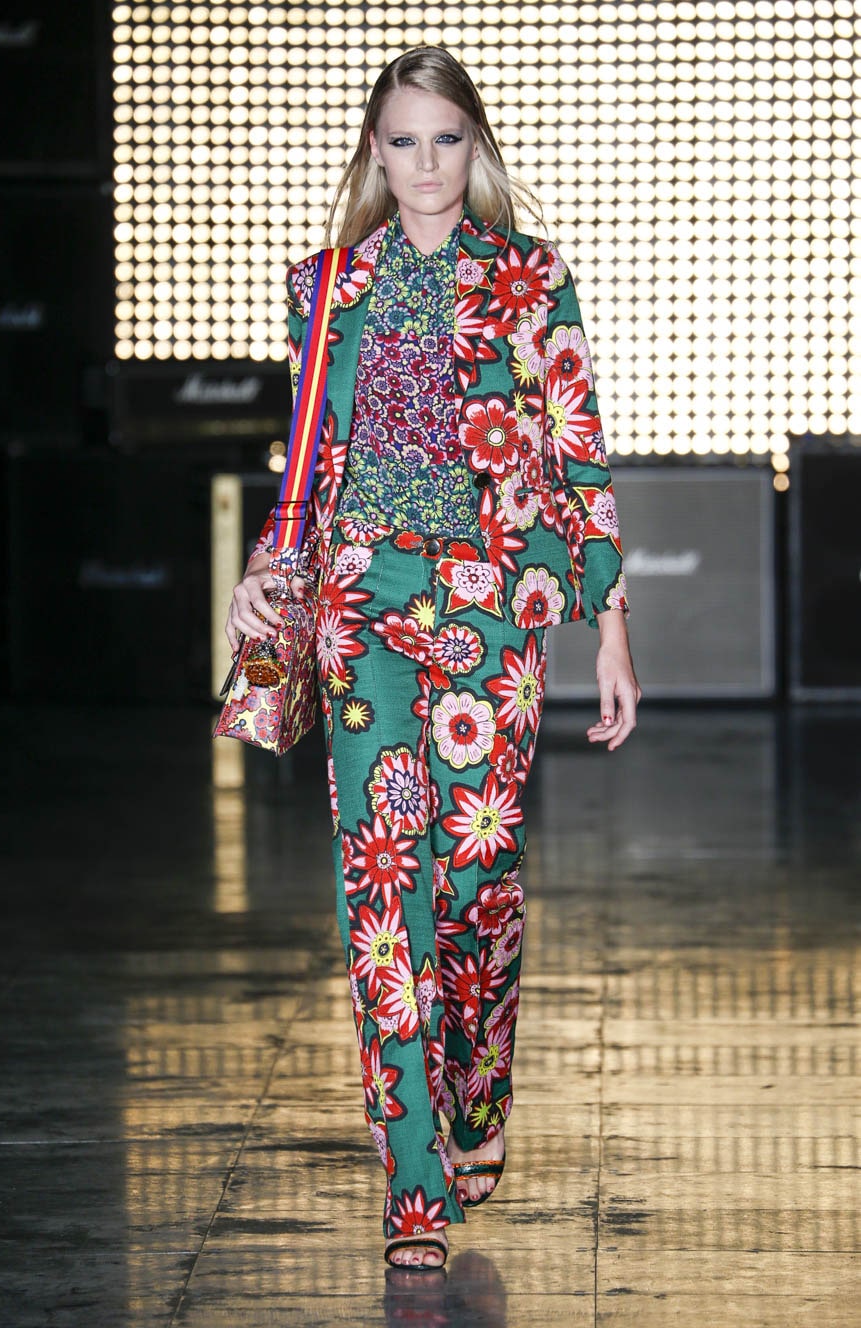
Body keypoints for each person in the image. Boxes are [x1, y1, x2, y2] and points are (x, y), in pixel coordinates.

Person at [225, 46, 640, 1271]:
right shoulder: (326, 286)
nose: (424, 163)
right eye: (402, 141)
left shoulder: (530, 277)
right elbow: (307, 457)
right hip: (363, 598)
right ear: (375, 151)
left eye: (445, 138)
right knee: (382, 880)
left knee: (477, 875)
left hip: (494, 601)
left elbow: (576, 451)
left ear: (475, 145)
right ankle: (412, 1177)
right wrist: (268, 569)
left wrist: (611, 622)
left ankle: (477, 1088)